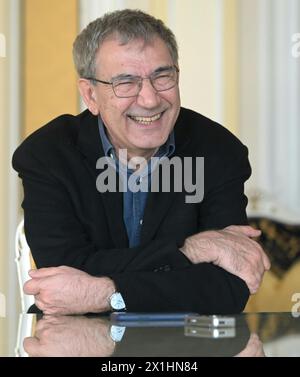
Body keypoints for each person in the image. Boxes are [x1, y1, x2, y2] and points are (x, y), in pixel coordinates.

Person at [12, 9, 270, 316]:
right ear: (90, 95)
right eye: (126, 82)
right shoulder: (48, 155)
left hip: (184, 353)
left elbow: (225, 290)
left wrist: (105, 294)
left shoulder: (219, 151)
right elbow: (62, 278)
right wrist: (191, 250)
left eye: (162, 76)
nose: (149, 99)